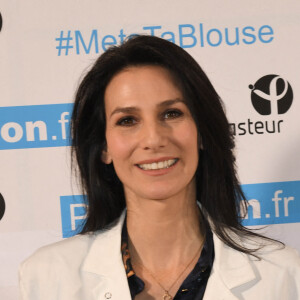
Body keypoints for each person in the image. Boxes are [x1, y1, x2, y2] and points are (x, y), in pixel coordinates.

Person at [19, 35, 300, 300]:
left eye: (171, 113)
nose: (153, 139)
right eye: (127, 120)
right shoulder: (47, 278)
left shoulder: (283, 277)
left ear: (201, 132)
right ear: (104, 147)